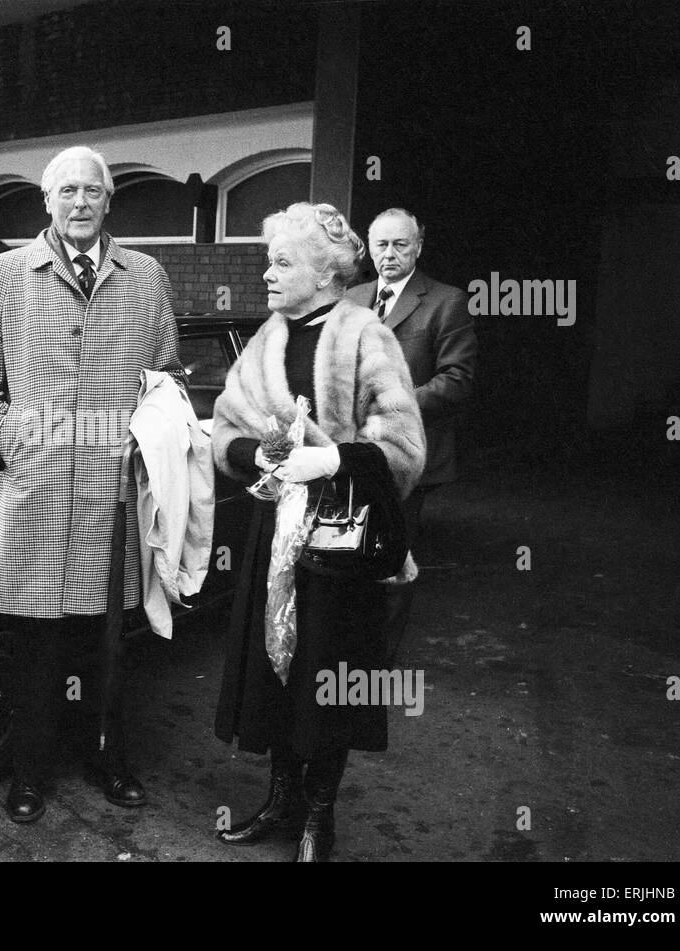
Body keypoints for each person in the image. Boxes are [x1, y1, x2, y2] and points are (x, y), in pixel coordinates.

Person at [0, 145, 187, 823]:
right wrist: (9, 447)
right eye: (68, 192)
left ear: (109, 201)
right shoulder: (2, 278)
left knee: (107, 641)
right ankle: (30, 773)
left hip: (111, 495)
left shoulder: (144, 276)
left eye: (93, 191)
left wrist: (144, 450)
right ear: (45, 203)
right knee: (34, 645)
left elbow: (164, 377)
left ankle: (109, 758)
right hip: (34, 490)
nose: (81, 202)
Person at [210, 202, 425, 861]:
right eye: (267, 262)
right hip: (274, 536)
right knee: (275, 675)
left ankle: (318, 819)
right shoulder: (268, 338)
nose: (267, 276)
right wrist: (261, 456)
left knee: (325, 679)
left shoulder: (366, 334)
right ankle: (282, 803)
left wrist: (331, 458)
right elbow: (224, 430)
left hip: (341, 546)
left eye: (282, 262)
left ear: (327, 271)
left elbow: (405, 448)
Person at [345, 208, 476, 663]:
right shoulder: (353, 297)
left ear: (418, 247)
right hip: (349, 453)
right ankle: (347, 649)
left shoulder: (446, 301)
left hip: (406, 456)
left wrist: (393, 404)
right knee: (348, 551)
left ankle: (378, 663)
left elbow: (457, 379)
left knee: (391, 557)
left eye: (401, 244)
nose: (389, 254)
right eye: (380, 244)